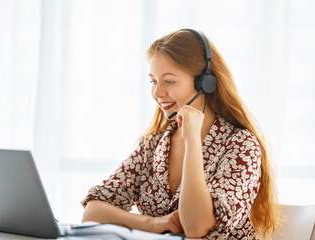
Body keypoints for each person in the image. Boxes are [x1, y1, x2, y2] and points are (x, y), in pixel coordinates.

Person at [81, 29, 281, 239]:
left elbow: (196, 227)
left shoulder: (242, 145)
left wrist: (192, 140)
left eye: (169, 81)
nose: (157, 93)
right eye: (153, 81)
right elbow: (92, 214)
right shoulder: (152, 144)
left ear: (205, 83)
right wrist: (154, 224)